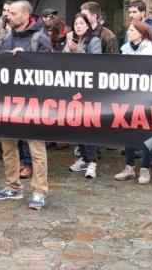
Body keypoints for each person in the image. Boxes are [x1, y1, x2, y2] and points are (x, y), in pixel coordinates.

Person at [0, 0, 52, 210]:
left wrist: (26, 58)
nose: (9, 15)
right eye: (8, 12)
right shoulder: (9, 36)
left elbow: (50, 69)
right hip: (10, 100)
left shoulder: (40, 38)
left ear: (26, 16)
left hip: (33, 102)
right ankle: (12, 186)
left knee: (36, 148)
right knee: (8, 146)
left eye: (14, 13)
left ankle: (39, 191)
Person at [115, 21, 152, 184]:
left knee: (144, 133)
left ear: (141, 33)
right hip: (127, 96)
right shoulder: (125, 49)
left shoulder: (149, 51)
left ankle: (145, 169)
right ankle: (129, 167)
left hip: (144, 97)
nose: (128, 32)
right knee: (128, 132)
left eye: (132, 30)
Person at [64, 13, 102, 179]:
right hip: (73, 87)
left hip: (89, 89)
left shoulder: (94, 41)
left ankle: (92, 161)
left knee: (89, 125)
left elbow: (96, 62)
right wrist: (68, 47)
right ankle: (84, 158)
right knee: (76, 124)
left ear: (88, 25)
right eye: (76, 23)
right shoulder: (71, 40)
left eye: (81, 23)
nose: (78, 26)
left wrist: (78, 50)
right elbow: (62, 62)